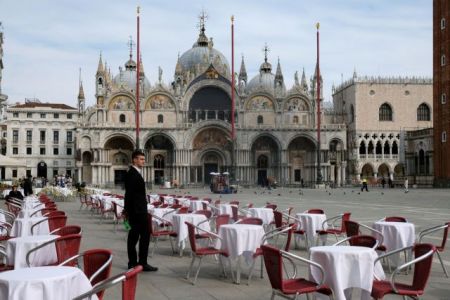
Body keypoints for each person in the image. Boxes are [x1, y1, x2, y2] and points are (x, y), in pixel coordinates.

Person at [124, 149, 157, 272]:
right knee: (137, 237)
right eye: (141, 159)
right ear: (134, 160)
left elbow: (131, 194)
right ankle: (137, 263)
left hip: (137, 211)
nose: (143, 161)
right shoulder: (132, 174)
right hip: (138, 212)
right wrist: (128, 211)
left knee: (138, 237)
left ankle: (137, 263)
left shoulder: (134, 173)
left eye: (143, 159)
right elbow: (129, 194)